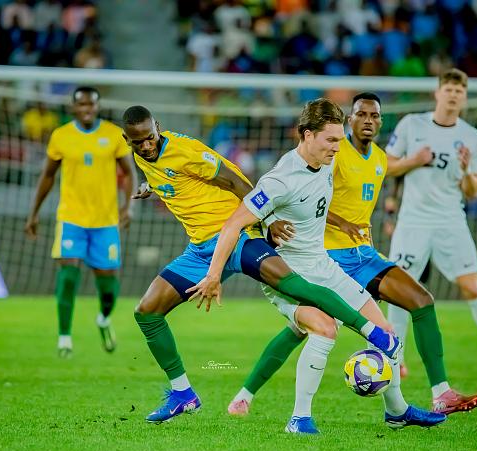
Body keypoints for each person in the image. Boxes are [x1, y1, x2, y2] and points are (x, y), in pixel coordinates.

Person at [123, 104, 402, 425]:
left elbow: (234, 181)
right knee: (147, 312)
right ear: (127, 140)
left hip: (239, 236)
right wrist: (151, 186)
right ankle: (183, 393)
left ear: (157, 127)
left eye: (150, 138)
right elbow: (169, 175)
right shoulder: (143, 156)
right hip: (201, 249)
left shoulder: (186, 151)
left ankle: (373, 334)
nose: (146, 145)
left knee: (295, 286)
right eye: (138, 142)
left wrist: (267, 220)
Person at [187, 98, 446, 434]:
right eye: (331, 140)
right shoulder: (281, 179)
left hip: (323, 264)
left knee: (386, 333)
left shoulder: (325, 162)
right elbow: (233, 224)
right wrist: (214, 274)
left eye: (339, 139)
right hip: (287, 275)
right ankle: (299, 419)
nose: (338, 147)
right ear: (307, 135)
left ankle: (397, 412)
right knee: (325, 329)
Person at [385, 68, 477, 380]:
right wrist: (413, 160)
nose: (453, 95)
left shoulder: (471, 136)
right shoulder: (412, 124)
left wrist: (468, 171)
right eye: (448, 89)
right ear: (437, 93)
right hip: (413, 220)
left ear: (464, 98)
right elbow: (386, 166)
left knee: (471, 286)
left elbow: (473, 191)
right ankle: (396, 358)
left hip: (450, 220)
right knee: (399, 288)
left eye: (459, 91)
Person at [25, 86, 134, 358]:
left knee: (108, 287)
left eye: (91, 104)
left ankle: (104, 319)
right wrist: (34, 213)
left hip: (105, 221)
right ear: (73, 107)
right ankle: (64, 337)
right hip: (71, 218)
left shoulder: (113, 134)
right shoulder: (61, 136)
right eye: (82, 104)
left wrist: (128, 205)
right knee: (68, 275)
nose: (87, 109)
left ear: (98, 107)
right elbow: (48, 176)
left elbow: (129, 173)